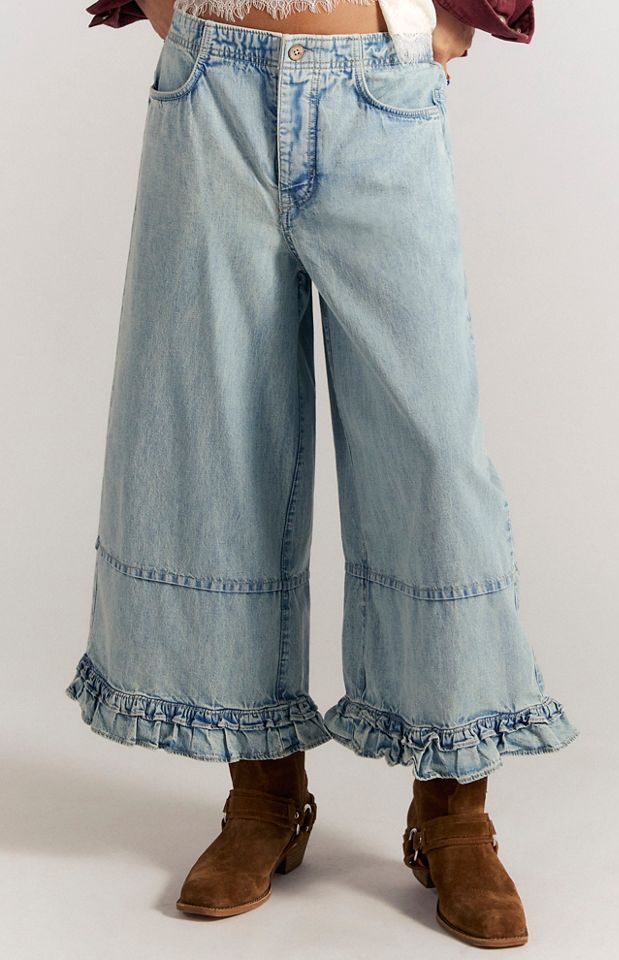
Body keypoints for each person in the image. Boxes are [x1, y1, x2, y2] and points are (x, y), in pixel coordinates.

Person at [65, 0, 579, 947]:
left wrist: (451, 17)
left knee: (431, 451)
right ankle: (263, 794)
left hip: (378, 80)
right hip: (212, 83)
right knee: (218, 437)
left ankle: (453, 811)